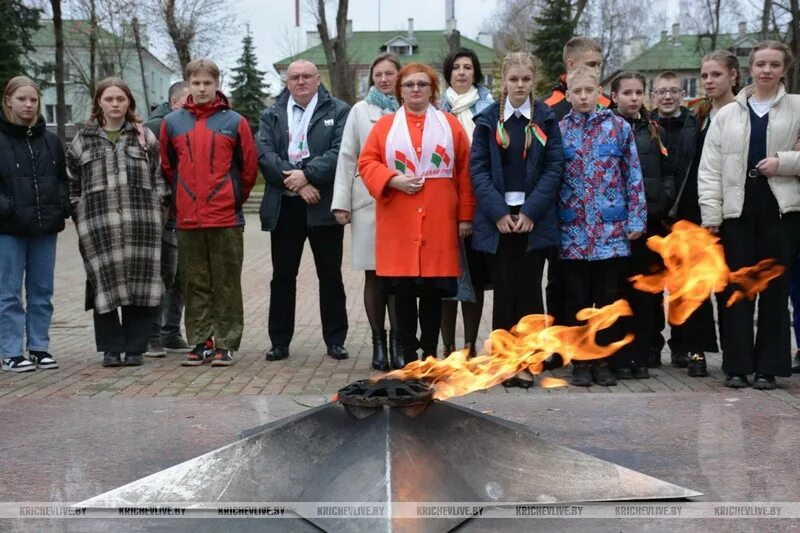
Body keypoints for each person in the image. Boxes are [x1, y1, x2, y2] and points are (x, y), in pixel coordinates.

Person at [698, 40, 800, 390]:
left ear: (784, 69)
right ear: (749, 69)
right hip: (737, 214)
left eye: (774, 65)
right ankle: (737, 366)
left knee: (773, 290)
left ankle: (769, 368)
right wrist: (711, 214)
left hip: (781, 213)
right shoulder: (727, 114)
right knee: (736, 290)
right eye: (760, 64)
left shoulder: (798, 109)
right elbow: (709, 169)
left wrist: (783, 162)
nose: (766, 70)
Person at [358, 62, 475, 366]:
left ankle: (431, 354)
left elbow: (464, 172)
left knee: (435, 294)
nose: (415, 90)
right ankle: (408, 355)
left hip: (439, 222)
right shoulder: (384, 127)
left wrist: (465, 217)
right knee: (404, 292)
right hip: (398, 221)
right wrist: (391, 179)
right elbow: (366, 163)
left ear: (432, 89)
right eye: (409, 85)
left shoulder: (450, 125)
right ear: (400, 90)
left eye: (422, 84)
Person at [470, 52, 563, 388]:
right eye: (514, 79)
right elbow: (477, 170)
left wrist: (529, 212)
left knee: (528, 292)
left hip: (532, 220)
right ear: (503, 81)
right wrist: (498, 212)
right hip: (499, 220)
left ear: (533, 80)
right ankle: (503, 363)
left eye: (526, 79)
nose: (520, 85)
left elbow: (554, 168)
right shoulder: (486, 121)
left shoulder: (546, 120)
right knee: (504, 290)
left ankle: (528, 362)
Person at [160, 58, 258, 367]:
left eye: (208, 83)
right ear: (188, 84)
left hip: (225, 217)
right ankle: (200, 341)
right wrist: (185, 199)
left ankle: (226, 342)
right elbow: (168, 167)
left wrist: (230, 199)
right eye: (196, 83)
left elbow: (248, 169)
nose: (202, 88)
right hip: (188, 218)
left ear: (217, 84)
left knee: (226, 281)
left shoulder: (234, 122)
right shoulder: (173, 122)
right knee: (193, 281)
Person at [67, 77, 167, 367]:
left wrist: (158, 213)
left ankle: (135, 348)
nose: (114, 104)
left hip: (142, 225)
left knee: (140, 282)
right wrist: (79, 213)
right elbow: (73, 184)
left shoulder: (143, 137)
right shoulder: (83, 139)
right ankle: (111, 349)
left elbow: (159, 178)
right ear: (99, 101)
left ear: (128, 103)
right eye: (109, 99)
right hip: (98, 226)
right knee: (103, 282)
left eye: (120, 99)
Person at [558, 66, 647, 387]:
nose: (583, 97)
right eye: (577, 91)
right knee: (578, 301)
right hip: (573, 234)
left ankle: (605, 360)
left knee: (608, 300)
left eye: (589, 91)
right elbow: (553, 181)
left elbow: (633, 175)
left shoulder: (618, 128)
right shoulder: (559, 131)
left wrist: (637, 218)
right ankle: (581, 361)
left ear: (599, 93)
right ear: (567, 95)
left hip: (611, 234)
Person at [258, 60, 351, 362]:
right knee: (283, 276)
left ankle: (336, 340)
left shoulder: (338, 110)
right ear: (287, 82)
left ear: (317, 79)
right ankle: (279, 341)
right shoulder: (271, 113)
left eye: (306, 76)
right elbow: (265, 155)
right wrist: (299, 183)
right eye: (294, 77)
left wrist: (309, 174)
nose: (300, 82)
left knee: (331, 275)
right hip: (286, 206)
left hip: (322, 206)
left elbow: (340, 153)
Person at [653, 61, 735, 375]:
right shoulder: (696, 118)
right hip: (685, 212)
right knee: (690, 286)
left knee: (723, 285)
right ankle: (693, 351)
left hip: (720, 209)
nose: (669, 96)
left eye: (675, 90)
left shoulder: (695, 119)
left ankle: (730, 352)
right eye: (705, 75)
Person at [542, 36, 611, 365]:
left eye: (599, 66)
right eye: (592, 65)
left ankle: (598, 350)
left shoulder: (608, 111)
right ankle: (560, 348)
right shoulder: (549, 111)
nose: (597, 72)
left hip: (602, 222)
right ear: (572, 67)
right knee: (560, 284)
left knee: (600, 287)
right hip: (563, 219)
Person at [331, 53, 401, 370]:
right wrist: (341, 203)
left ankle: (399, 340)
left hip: (403, 203)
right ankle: (378, 343)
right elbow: (347, 157)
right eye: (378, 74)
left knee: (398, 277)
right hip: (367, 204)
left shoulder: (409, 108)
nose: (384, 79)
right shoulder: (360, 111)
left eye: (389, 74)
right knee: (373, 275)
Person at [0, 76, 69, 373]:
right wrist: (7, 208)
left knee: (42, 290)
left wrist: (60, 206)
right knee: (9, 293)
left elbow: (62, 180)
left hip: (44, 227)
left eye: (33, 100)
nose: (28, 105)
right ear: (8, 101)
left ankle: (39, 347)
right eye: (21, 99)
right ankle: (11, 351)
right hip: (9, 228)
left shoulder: (50, 140)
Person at [610, 71, 675, 380]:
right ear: (614, 97)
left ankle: (644, 352)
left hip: (649, 222)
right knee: (620, 290)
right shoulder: (607, 129)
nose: (633, 98)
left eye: (638, 93)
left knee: (647, 292)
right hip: (616, 226)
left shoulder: (653, 129)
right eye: (627, 93)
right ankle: (620, 354)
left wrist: (663, 200)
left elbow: (667, 170)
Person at [439, 47, 494, 361]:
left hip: (480, 205)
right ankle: (447, 347)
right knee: (446, 277)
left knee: (474, 276)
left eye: (468, 67)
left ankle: (470, 344)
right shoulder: (435, 108)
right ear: (448, 73)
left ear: (475, 73)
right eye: (456, 67)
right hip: (443, 205)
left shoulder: (489, 108)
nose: (462, 72)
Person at [143, 80, 190, 357]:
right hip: (164, 213)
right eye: (188, 102)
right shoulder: (157, 127)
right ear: (175, 103)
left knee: (181, 275)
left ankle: (171, 331)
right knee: (164, 273)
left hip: (185, 212)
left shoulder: (185, 123)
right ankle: (155, 333)